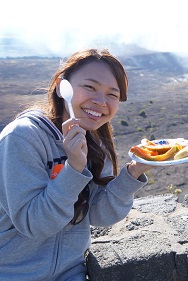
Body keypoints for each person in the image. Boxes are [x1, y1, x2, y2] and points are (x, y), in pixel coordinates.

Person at [0, 49, 155, 280]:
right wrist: (72, 169)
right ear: (63, 87)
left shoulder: (94, 141)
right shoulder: (23, 137)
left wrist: (132, 173)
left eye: (112, 94)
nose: (101, 102)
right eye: (90, 87)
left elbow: (99, 215)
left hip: (71, 272)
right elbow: (34, 224)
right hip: (14, 272)